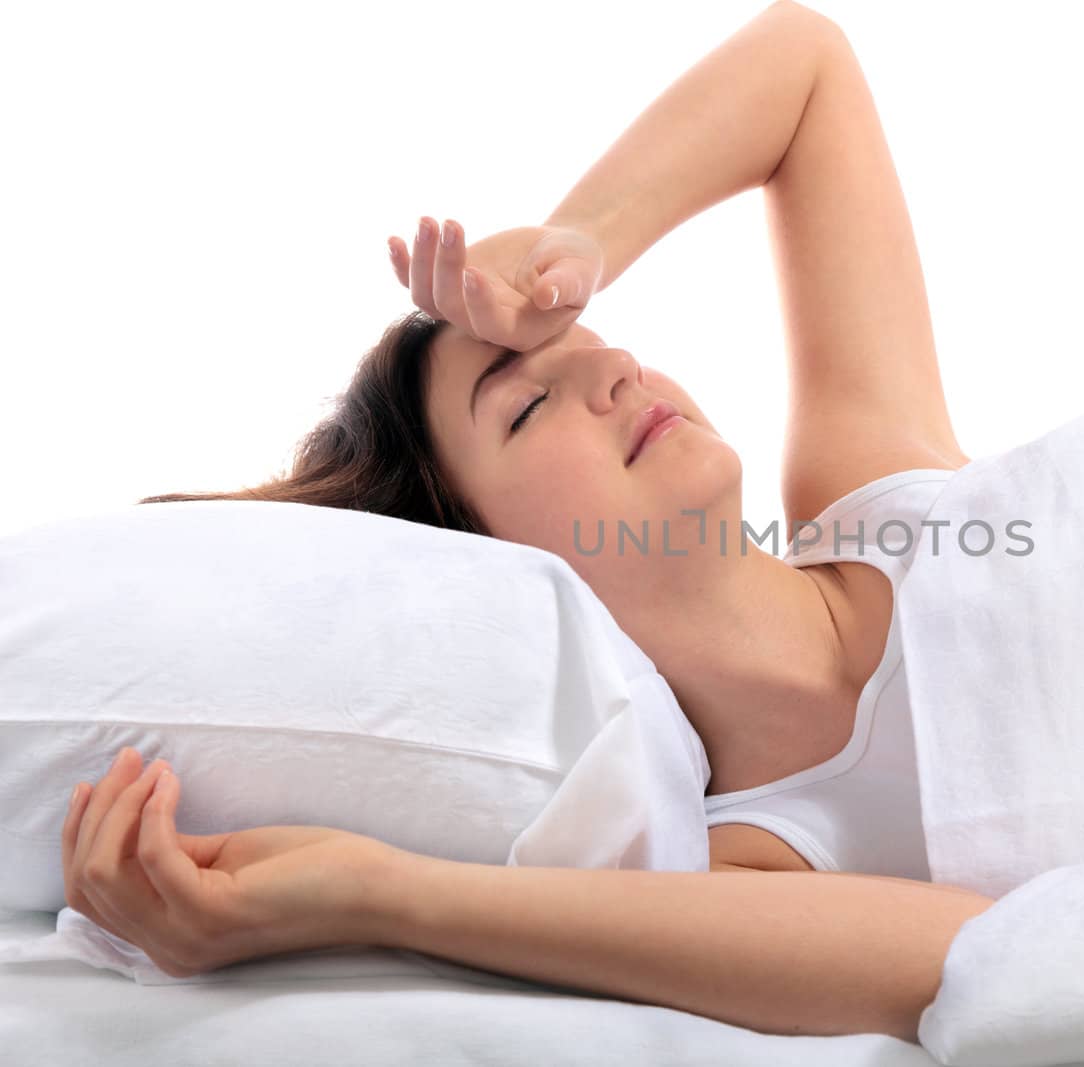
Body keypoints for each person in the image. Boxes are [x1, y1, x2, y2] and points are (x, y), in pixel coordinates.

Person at [64, 1, 995, 1044]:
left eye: (593, 336)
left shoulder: (883, 491)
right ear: (476, 559)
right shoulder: (762, 854)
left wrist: (573, 244)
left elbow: (805, 63)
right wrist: (371, 890)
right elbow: (979, 955)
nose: (611, 365)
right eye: (527, 400)